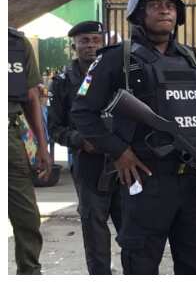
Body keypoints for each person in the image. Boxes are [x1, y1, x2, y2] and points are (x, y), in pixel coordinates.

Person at [71, 0, 196, 274]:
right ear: (139, 12)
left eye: (170, 5)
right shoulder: (116, 58)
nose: (164, 10)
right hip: (145, 179)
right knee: (141, 264)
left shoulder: (192, 59)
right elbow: (82, 112)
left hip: (191, 180)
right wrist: (119, 151)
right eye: (155, 5)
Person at [48, 21, 123, 274]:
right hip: (88, 164)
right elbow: (55, 128)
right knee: (94, 228)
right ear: (74, 45)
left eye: (95, 40)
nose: (90, 46)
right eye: (85, 41)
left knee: (133, 229)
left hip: (122, 159)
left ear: (103, 43)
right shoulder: (62, 81)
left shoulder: (118, 74)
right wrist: (80, 140)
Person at [8, 27, 52, 274]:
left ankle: (30, 271)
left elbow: (31, 97)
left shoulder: (15, 43)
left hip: (11, 135)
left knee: (27, 217)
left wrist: (42, 148)